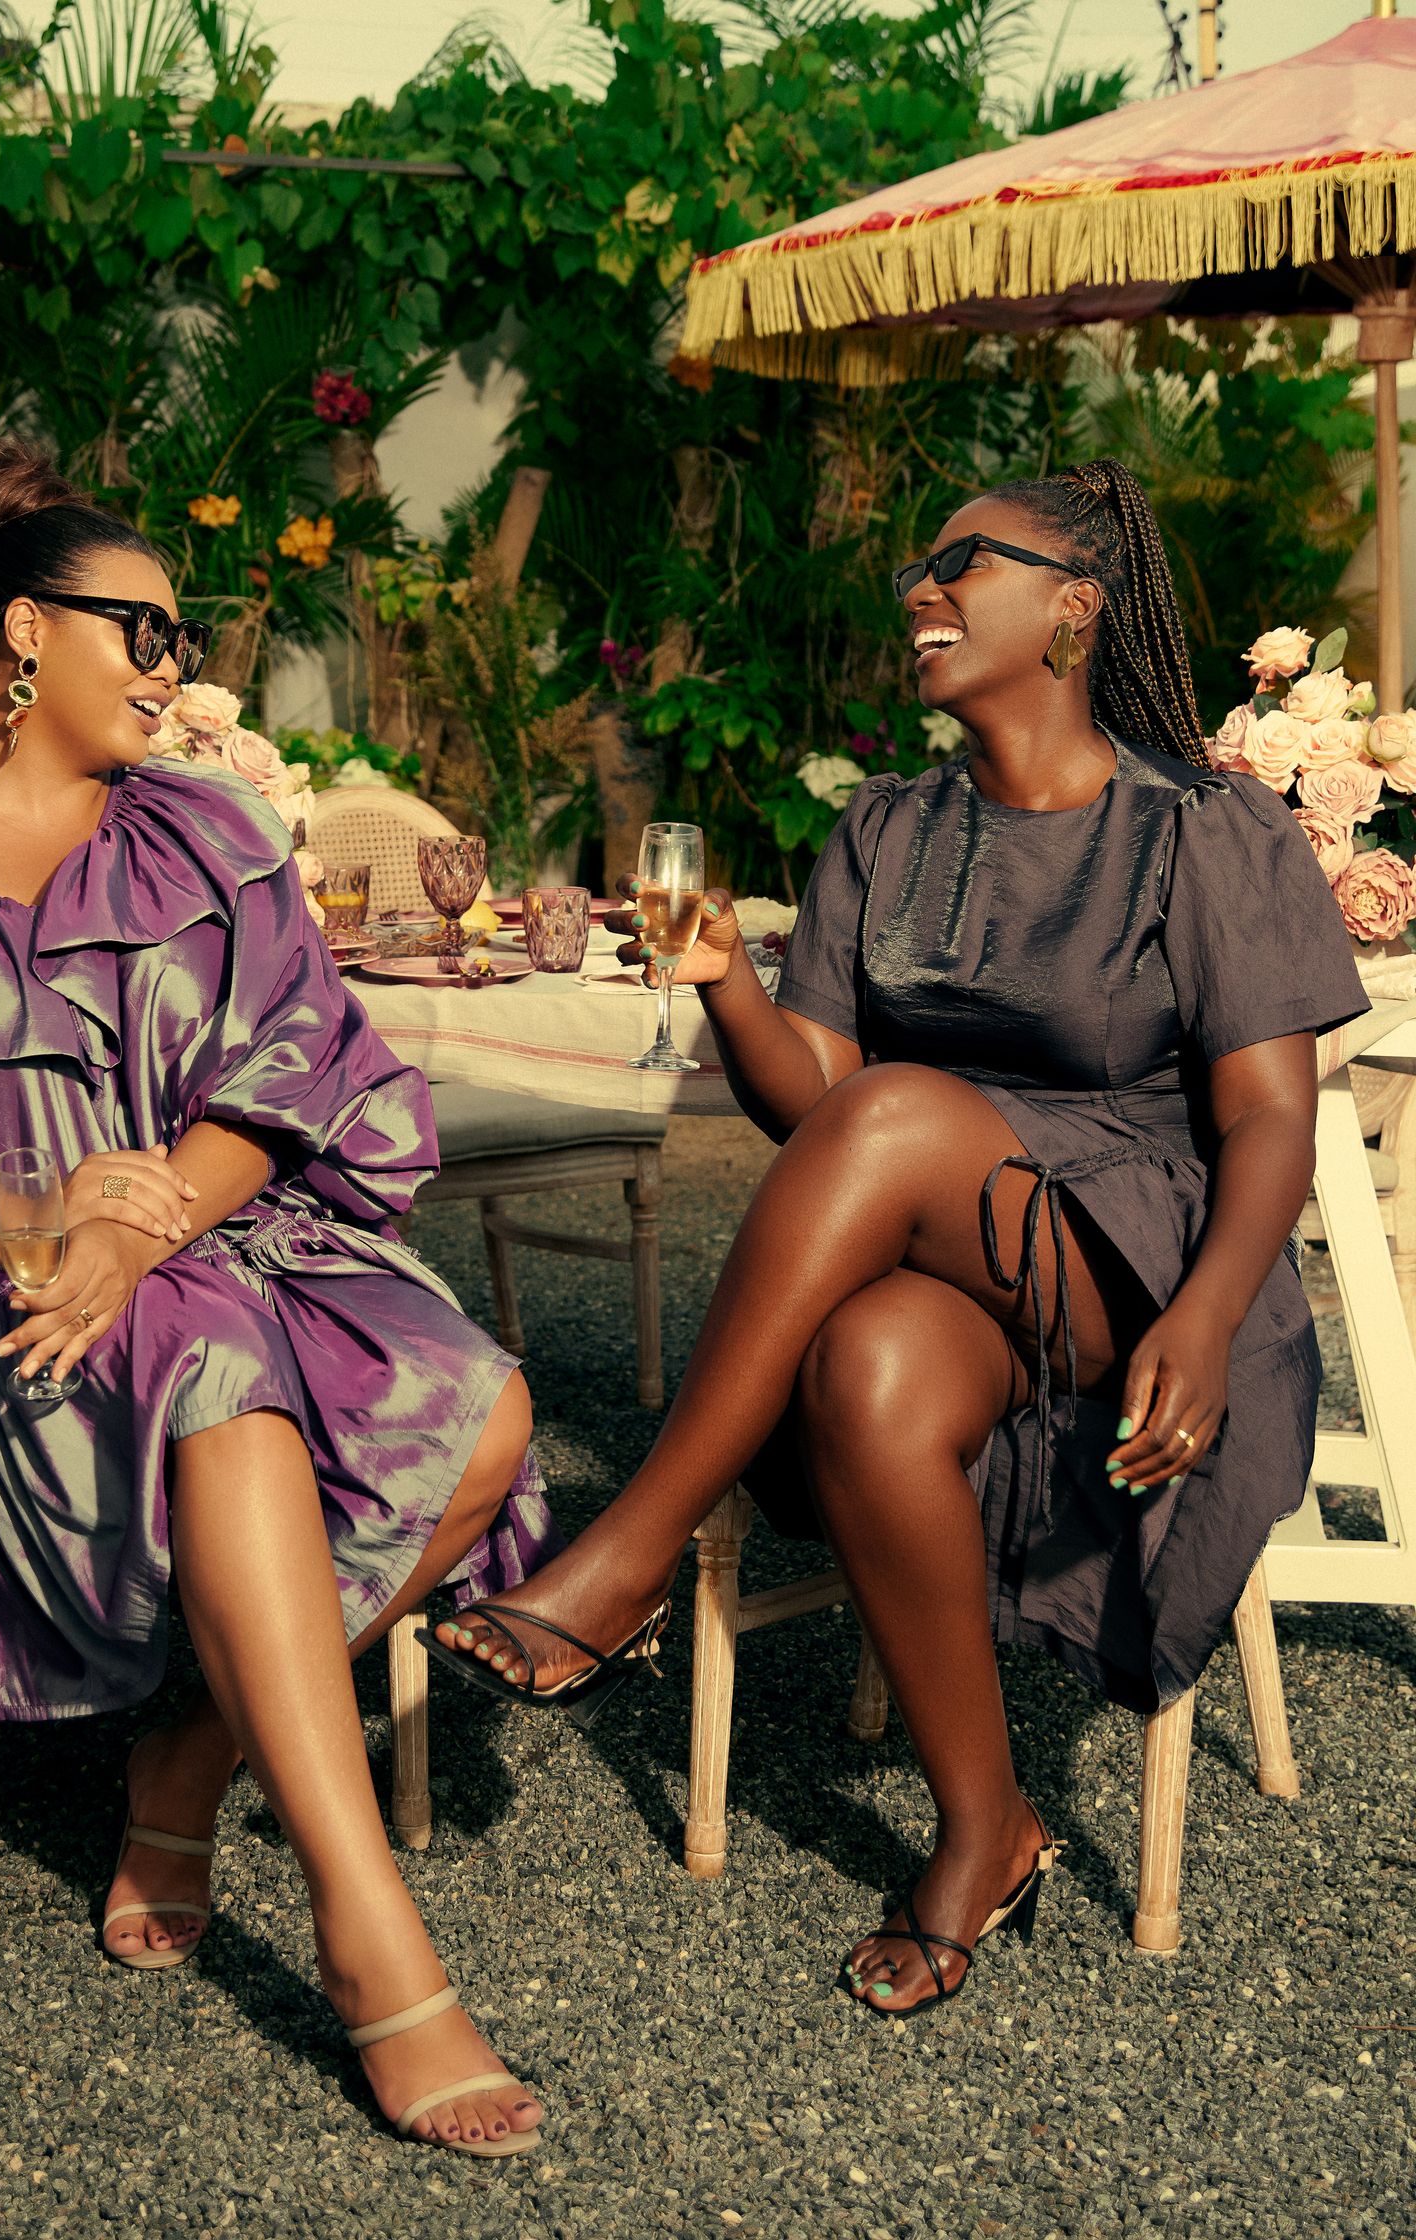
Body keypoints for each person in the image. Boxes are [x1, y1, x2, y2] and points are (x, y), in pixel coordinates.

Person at [0, 443, 552, 2155]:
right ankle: (378, 1946)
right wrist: (32, 1212)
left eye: (179, 631)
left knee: (490, 1413)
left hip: (198, 1246)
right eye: (135, 629)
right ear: (20, 636)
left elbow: (290, 1077)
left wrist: (137, 1232)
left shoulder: (204, 830)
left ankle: (190, 1760)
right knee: (214, 1360)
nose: (173, 664)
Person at [427, 458, 1367, 2016]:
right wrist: (730, 973)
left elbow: (1270, 1119)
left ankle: (632, 1552)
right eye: (917, 570)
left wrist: (1203, 1318)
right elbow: (815, 1104)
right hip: (941, 1252)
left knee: (904, 1119)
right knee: (864, 1369)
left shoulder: (1204, 829)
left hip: (1132, 1259)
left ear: (1073, 611)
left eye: (963, 565)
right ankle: (985, 1828)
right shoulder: (888, 828)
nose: (919, 590)